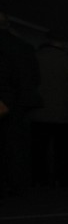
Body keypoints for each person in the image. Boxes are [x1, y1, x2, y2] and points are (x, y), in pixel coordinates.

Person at [30, 38, 68, 188]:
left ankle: (40, 178)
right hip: (63, 112)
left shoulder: (34, 58)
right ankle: (63, 178)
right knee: (63, 149)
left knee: (39, 148)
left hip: (38, 111)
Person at [0, 12, 42, 196]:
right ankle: (17, 183)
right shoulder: (23, 46)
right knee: (16, 144)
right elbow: (34, 77)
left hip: (6, 98)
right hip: (20, 102)